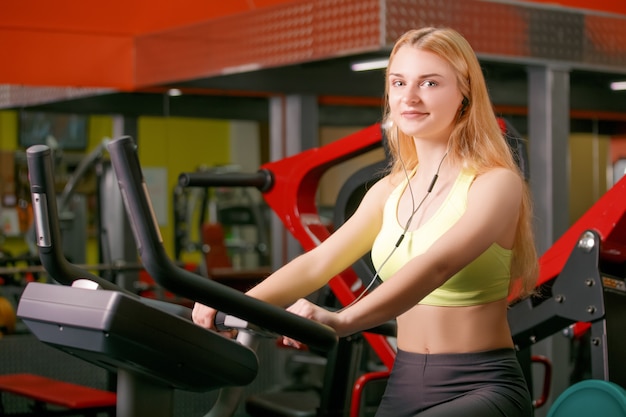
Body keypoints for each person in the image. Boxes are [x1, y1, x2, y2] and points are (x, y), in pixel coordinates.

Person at [193, 26, 539, 417]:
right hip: (404, 380)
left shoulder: (495, 185)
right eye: (398, 82)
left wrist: (342, 321)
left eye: (429, 82)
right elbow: (319, 262)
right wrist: (237, 304)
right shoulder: (387, 191)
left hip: (482, 384)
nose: (409, 97)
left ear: (465, 94)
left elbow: (436, 266)